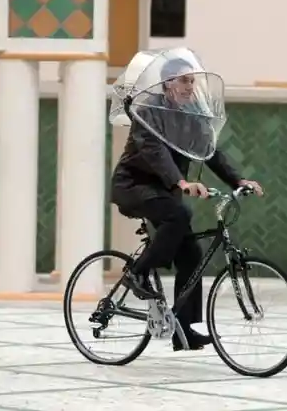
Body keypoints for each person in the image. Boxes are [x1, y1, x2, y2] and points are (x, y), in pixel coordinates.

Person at [111, 55, 263, 351]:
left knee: (192, 254)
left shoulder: (190, 115)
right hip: (134, 186)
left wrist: (238, 181)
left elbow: (211, 152)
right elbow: (155, 152)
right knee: (179, 214)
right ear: (167, 83)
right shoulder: (148, 113)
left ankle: (184, 327)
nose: (189, 86)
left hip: (164, 192)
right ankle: (137, 273)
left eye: (192, 81)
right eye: (184, 80)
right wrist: (180, 182)